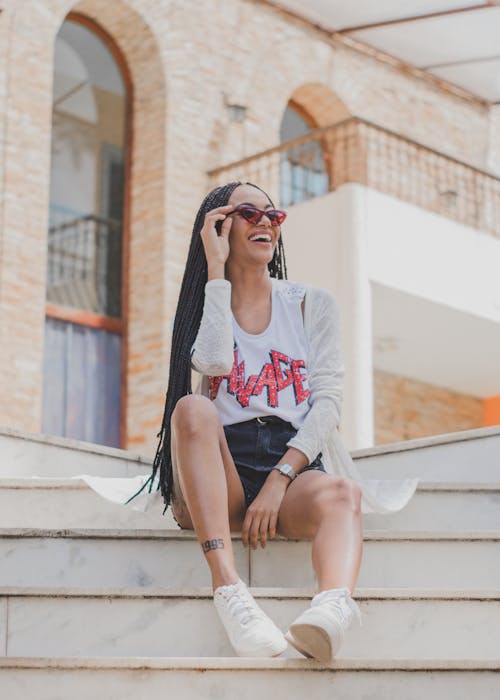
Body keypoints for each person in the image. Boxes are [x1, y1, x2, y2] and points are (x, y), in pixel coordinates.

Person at [131, 180, 417, 661]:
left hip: (293, 459)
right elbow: (215, 364)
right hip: (221, 471)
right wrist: (217, 270)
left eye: (273, 214)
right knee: (192, 407)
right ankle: (230, 593)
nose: (265, 220)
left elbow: (327, 402)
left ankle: (331, 611)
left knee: (343, 492)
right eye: (248, 212)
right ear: (220, 227)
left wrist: (281, 478)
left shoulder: (310, 304)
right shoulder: (208, 305)